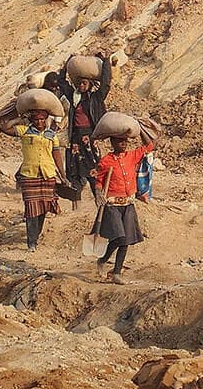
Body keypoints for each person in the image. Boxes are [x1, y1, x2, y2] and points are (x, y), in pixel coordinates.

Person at [92, 134, 154, 283]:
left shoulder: (132, 156)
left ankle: (116, 273)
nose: (123, 144)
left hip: (128, 204)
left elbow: (150, 145)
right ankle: (103, 259)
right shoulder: (106, 161)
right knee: (119, 237)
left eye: (125, 141)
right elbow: (99, 181)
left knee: (126, 240)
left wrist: (140, 131)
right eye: (119, 141)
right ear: (112, 142)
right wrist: (98, 193)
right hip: (112, 205)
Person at [14, 108, 67, 252]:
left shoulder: (51, 135)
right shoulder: (24, 131)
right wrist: (18, 117)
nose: (39, 122)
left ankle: (36, 236)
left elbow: (57, 156)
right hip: (29, 175)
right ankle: (31, 242)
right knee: (31, 208)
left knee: (43, 207)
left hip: (47, 174)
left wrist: (62, 175)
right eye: (36, 119)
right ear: (32, 120)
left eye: (42, 119)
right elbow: (5, 128)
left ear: (46, 120)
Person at [60, 73, 108, 206]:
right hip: (75, 138)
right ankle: (76, 200)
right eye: (80, 83)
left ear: (90, 84)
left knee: (94, 169)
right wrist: (65, 67)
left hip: (89, 138)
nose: (81, 85)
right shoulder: (74, 97)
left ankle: (99, 198)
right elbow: (62, 82)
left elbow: (106, 85)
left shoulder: (94, 98)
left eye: (84, 83)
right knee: (74, 168)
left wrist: (105, 62)